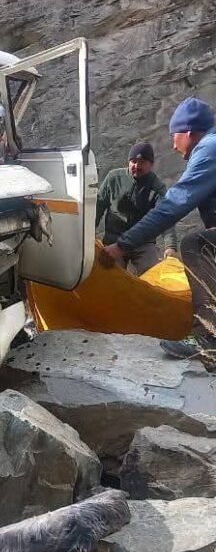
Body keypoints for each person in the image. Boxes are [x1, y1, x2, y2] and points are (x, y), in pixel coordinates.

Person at [101, 97, 216, 357]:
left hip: (138, 243)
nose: (173, 146)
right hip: (117, 233)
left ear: (188, 132)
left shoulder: (208, 149)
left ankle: (209, 338)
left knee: (196, 245)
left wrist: (122, 246)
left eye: (174, 136)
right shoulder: (115, 178)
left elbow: (171, 208)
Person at [95, 142, 178, 274]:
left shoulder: (157, 187)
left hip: (143, 242)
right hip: (114, 240)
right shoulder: (113, 178)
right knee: (109, 274)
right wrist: (88, 235)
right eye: (133, 161)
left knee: (153, 274)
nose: (137, 166)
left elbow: (165, 216)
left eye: (142, 162)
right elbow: (97, 207)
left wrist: (170, 246)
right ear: (128, 162)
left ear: (151, 164)